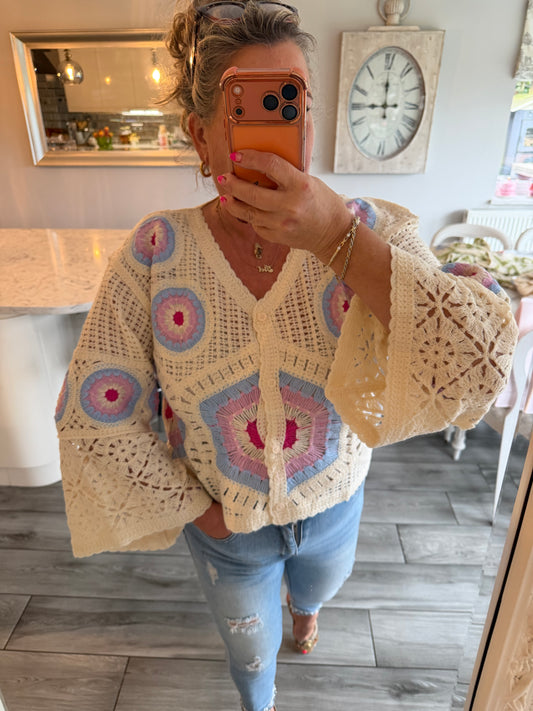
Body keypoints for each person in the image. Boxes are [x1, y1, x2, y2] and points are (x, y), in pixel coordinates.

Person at [55, 2, 518, 710]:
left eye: (292, 103)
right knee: (249, 652)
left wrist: (338, 240)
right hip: (227, 530)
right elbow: (93, 409)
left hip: (335, 505)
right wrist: (200, 511)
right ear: (201, 136)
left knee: (318, 587)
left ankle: (307, 611)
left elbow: (479, 359)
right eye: (252, 108)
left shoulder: (370, 230)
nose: (282, 129)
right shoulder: (156, 252)